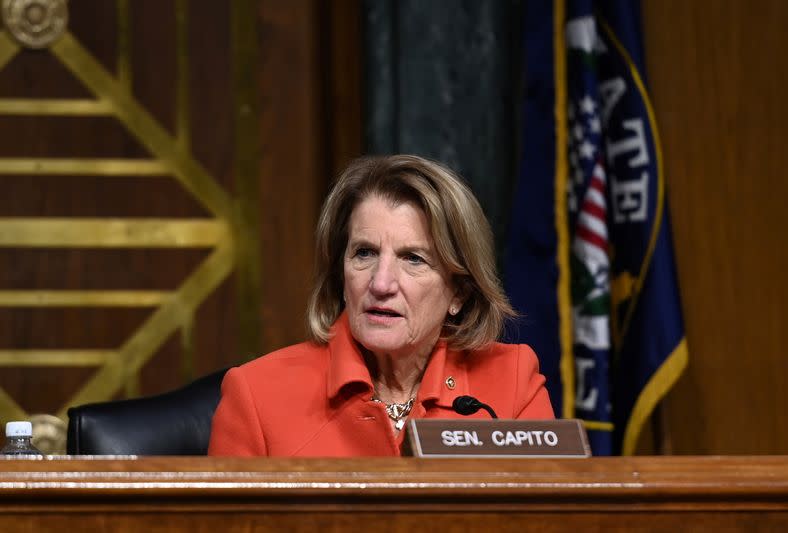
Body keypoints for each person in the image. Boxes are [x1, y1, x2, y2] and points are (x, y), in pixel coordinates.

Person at [208, 154, 553, 456]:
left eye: (413, 259)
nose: (381, 283)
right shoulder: (257, 395)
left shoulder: (512, 384)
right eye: (365, 253)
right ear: (340, 273)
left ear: (459, 292)